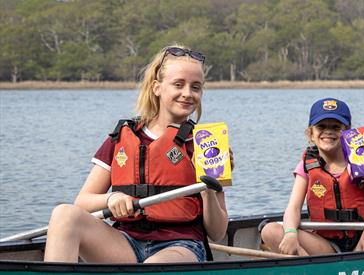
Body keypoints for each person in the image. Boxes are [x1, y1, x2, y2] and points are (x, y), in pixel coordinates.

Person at [44, 44, 228, 263]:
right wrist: (112, 198)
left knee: (151, 267)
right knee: (64, 215)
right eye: (178, 84)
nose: (187, 94)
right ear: (157, 87)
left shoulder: (208, 143)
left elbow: (217, 232)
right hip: (126, 241)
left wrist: (207, 188)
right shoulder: (122, 137)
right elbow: (83, 202)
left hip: (181, 245)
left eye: (195, 87)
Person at [261, 98, 364, 255]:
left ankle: (355, 267)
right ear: (311, 134)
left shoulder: (363, 160)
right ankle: (312, 269)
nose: (328, 131)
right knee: (270, 230)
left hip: (363, 241)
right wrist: (290, 232)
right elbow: (293, 207)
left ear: (347, 132)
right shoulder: (307, 166)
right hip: (326, 244)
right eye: (321, 126)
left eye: (336, 127)